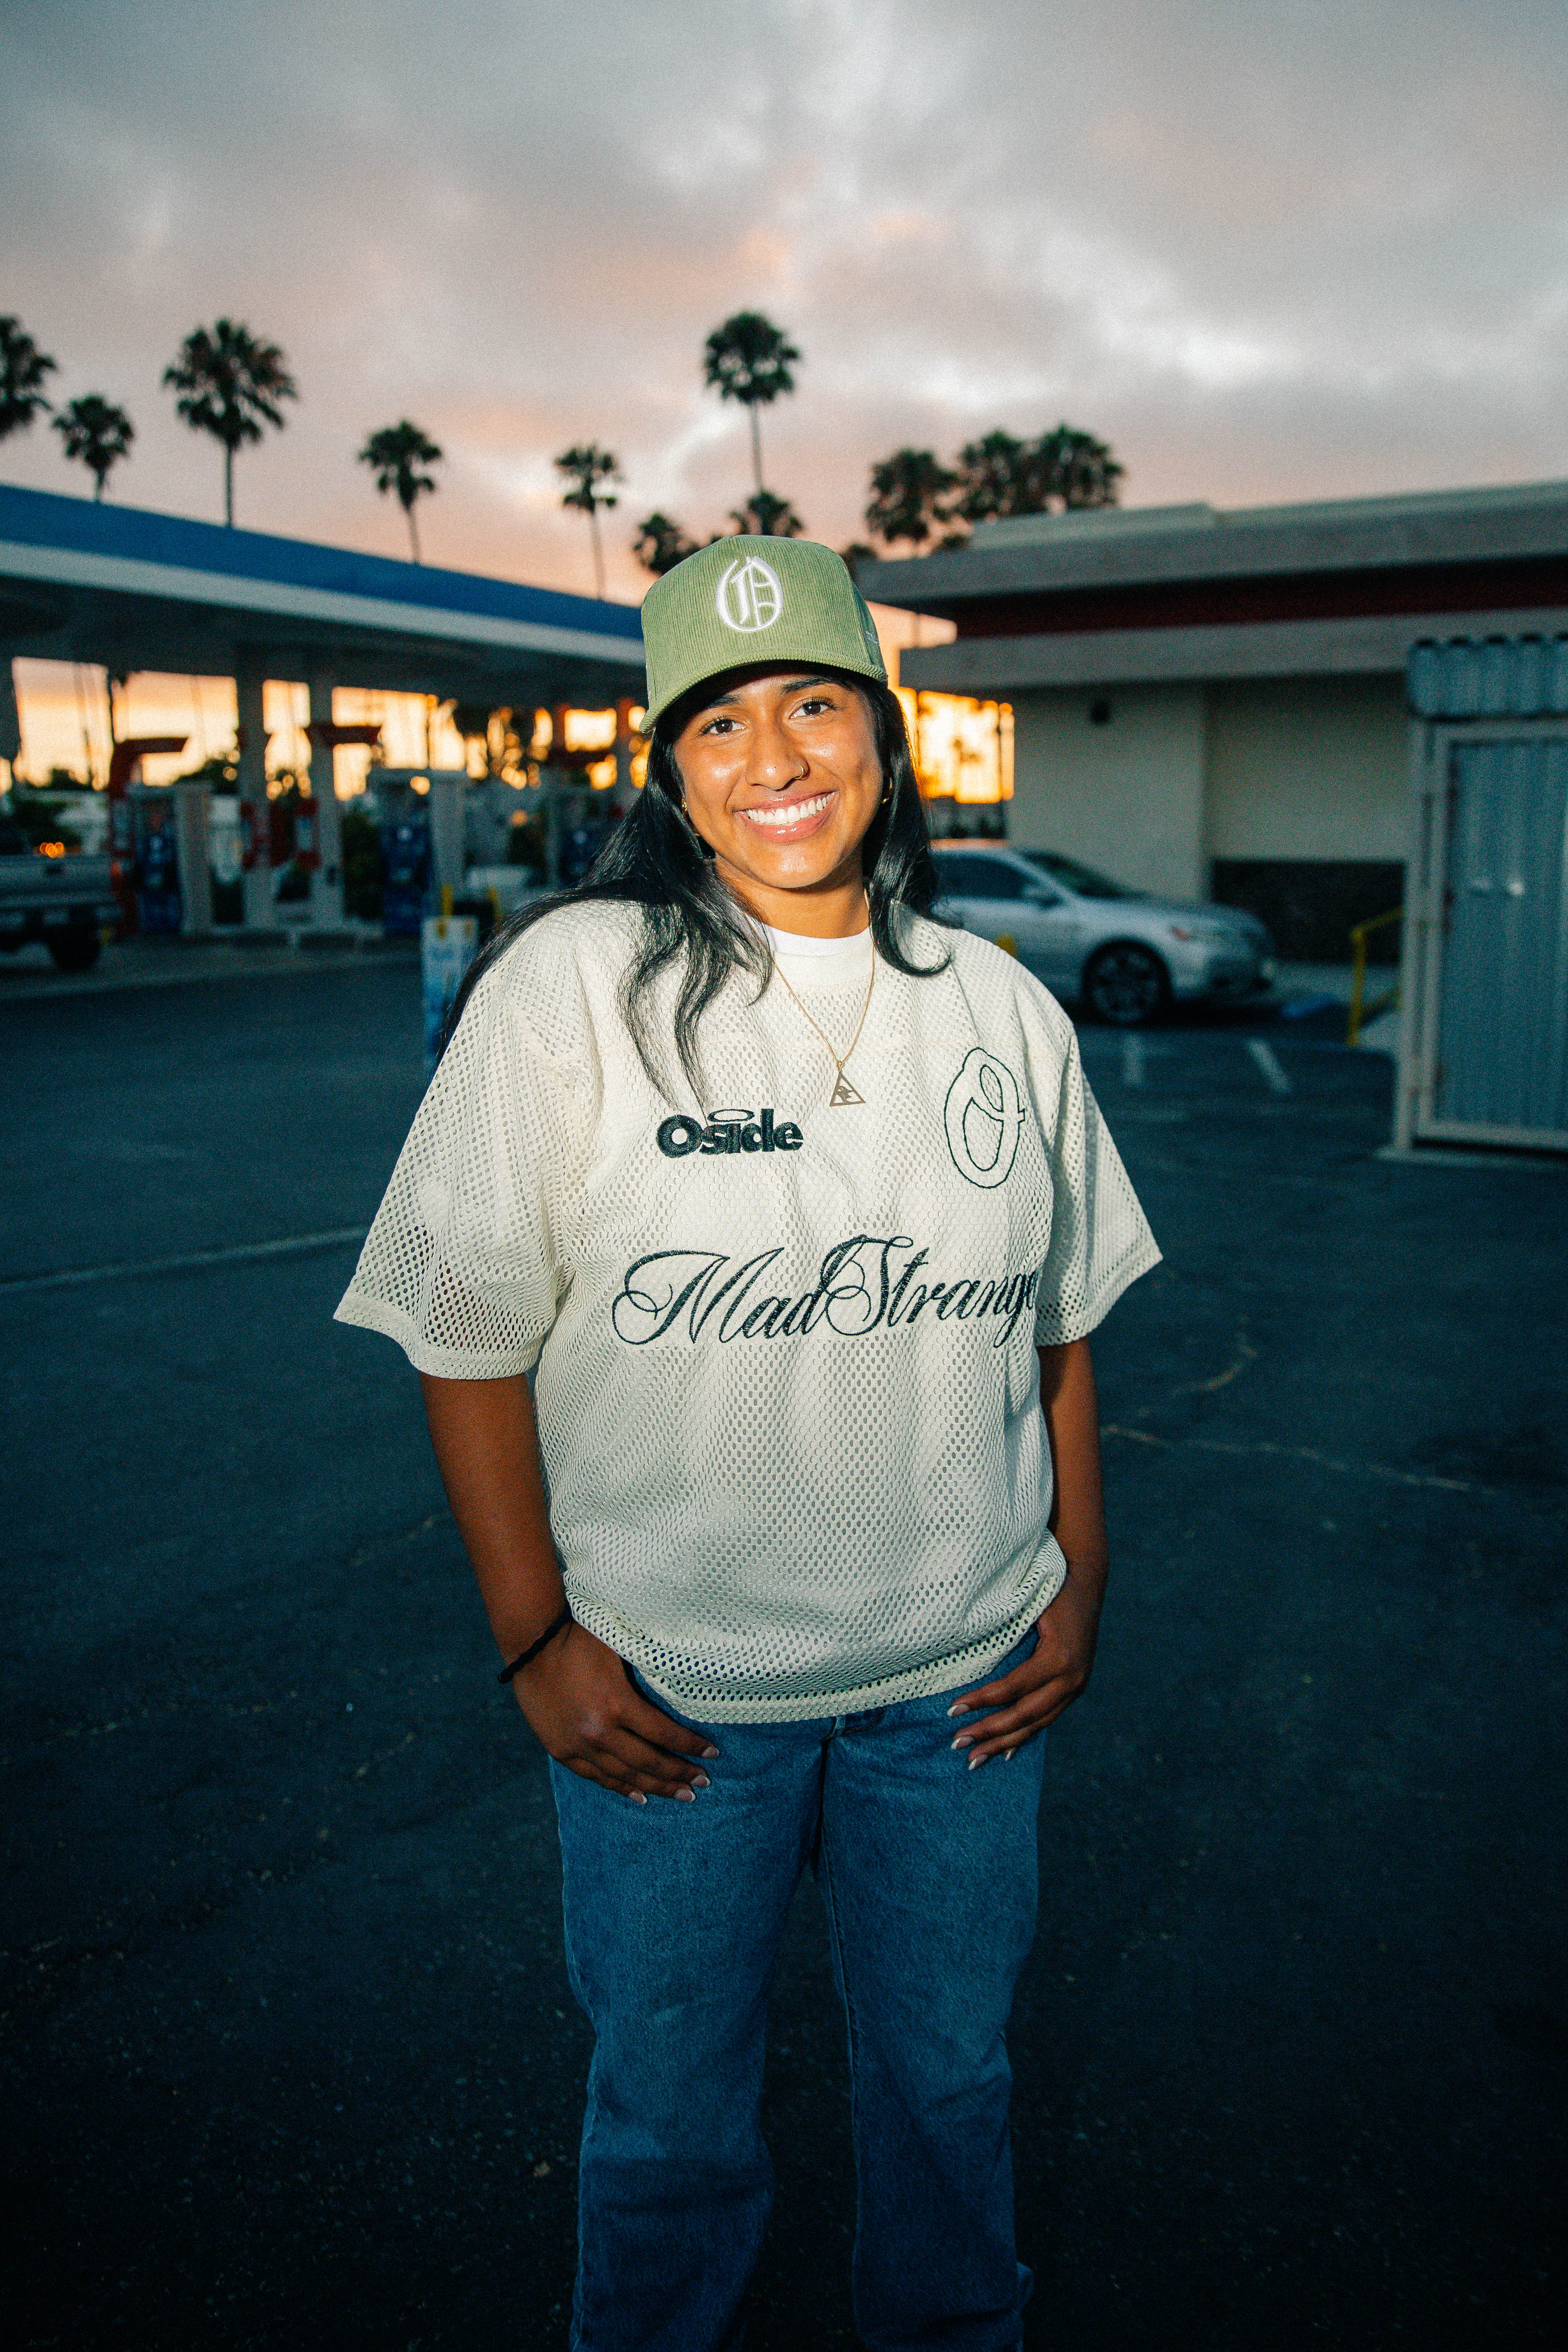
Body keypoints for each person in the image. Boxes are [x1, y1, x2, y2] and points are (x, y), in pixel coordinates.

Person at [336, 535, 1159, 2352]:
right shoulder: (576, 987)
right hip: (676, 1698)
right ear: (667, 768)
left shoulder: (999, 1007)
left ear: (886, 732)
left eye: (812, 705)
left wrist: (1082, 1581)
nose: (774, 758)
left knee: (951, 2092)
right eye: (718, 721)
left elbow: (1059, 1325)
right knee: (669, 2131)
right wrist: (536, 1641)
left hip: (961, 1692)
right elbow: (463, 1334)